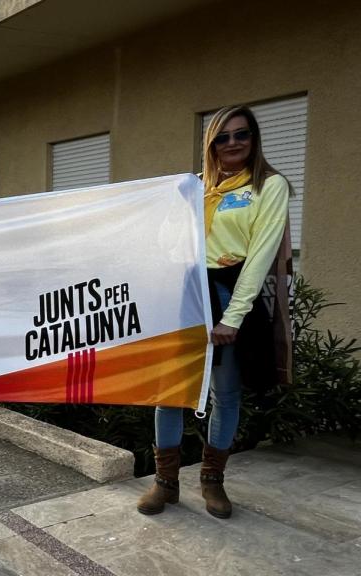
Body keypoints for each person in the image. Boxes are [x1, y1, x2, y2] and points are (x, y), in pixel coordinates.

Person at [137, 105, 291, 519]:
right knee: (170, 392)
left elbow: (259, 256)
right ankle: (165, 483)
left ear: (254, 139)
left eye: (241, 135)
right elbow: (170, 243)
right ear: (211, 144)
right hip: (185, 294)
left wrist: (233, 317)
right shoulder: (193, 187)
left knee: (224, 394)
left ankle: (212, 482)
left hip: (227, 293)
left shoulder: (269, 186)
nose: (233, 143)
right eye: (222, 137)